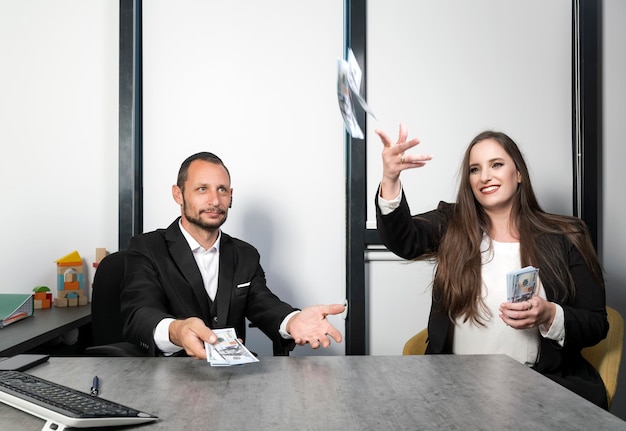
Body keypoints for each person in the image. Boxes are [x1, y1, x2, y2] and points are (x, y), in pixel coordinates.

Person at [374, 124, 609, 409]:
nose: (485, 176)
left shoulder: (566, 235)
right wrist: (390, 178)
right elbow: (404, 240)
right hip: (458, 392)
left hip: (539, 392)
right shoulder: (451, 224)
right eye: (475, 169)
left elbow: (596, 324)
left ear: (519, 173)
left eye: (496, 164)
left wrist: (549, 315)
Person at [120, 151, 345, 359]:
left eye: (222, 190)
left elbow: (264, 304)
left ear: (231, 195)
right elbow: (138, 314)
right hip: (167, 381)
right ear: (178, 194)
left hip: (232, 380)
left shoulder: (245, 254)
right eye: (202, 189)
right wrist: (176, 330)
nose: (215, 201)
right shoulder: (146, 248)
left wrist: (292, 321)